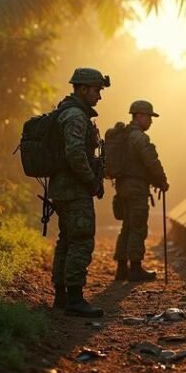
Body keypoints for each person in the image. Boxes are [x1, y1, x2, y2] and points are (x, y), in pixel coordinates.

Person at [50, 67, 108, 317]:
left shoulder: (70, 112)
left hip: (65, 188)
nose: (99, 96)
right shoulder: (75, 115)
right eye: (96, 90)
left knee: (67, 239)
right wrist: (91, 181)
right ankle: (74, 298)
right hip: (73, 189)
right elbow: (75, 153)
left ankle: (62, 296)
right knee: (81, 239)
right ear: (83, 89)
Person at [113, 100, 169, 281]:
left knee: (127, 226)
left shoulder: (123, 135)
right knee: (137, 226)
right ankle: (135, 268)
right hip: (136, 187)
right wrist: (162, 180)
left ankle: (121, 268)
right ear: (139, 116)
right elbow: (151, 161)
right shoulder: (139, 137)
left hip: (122, 187)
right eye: (149, 117)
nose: (151, 121)